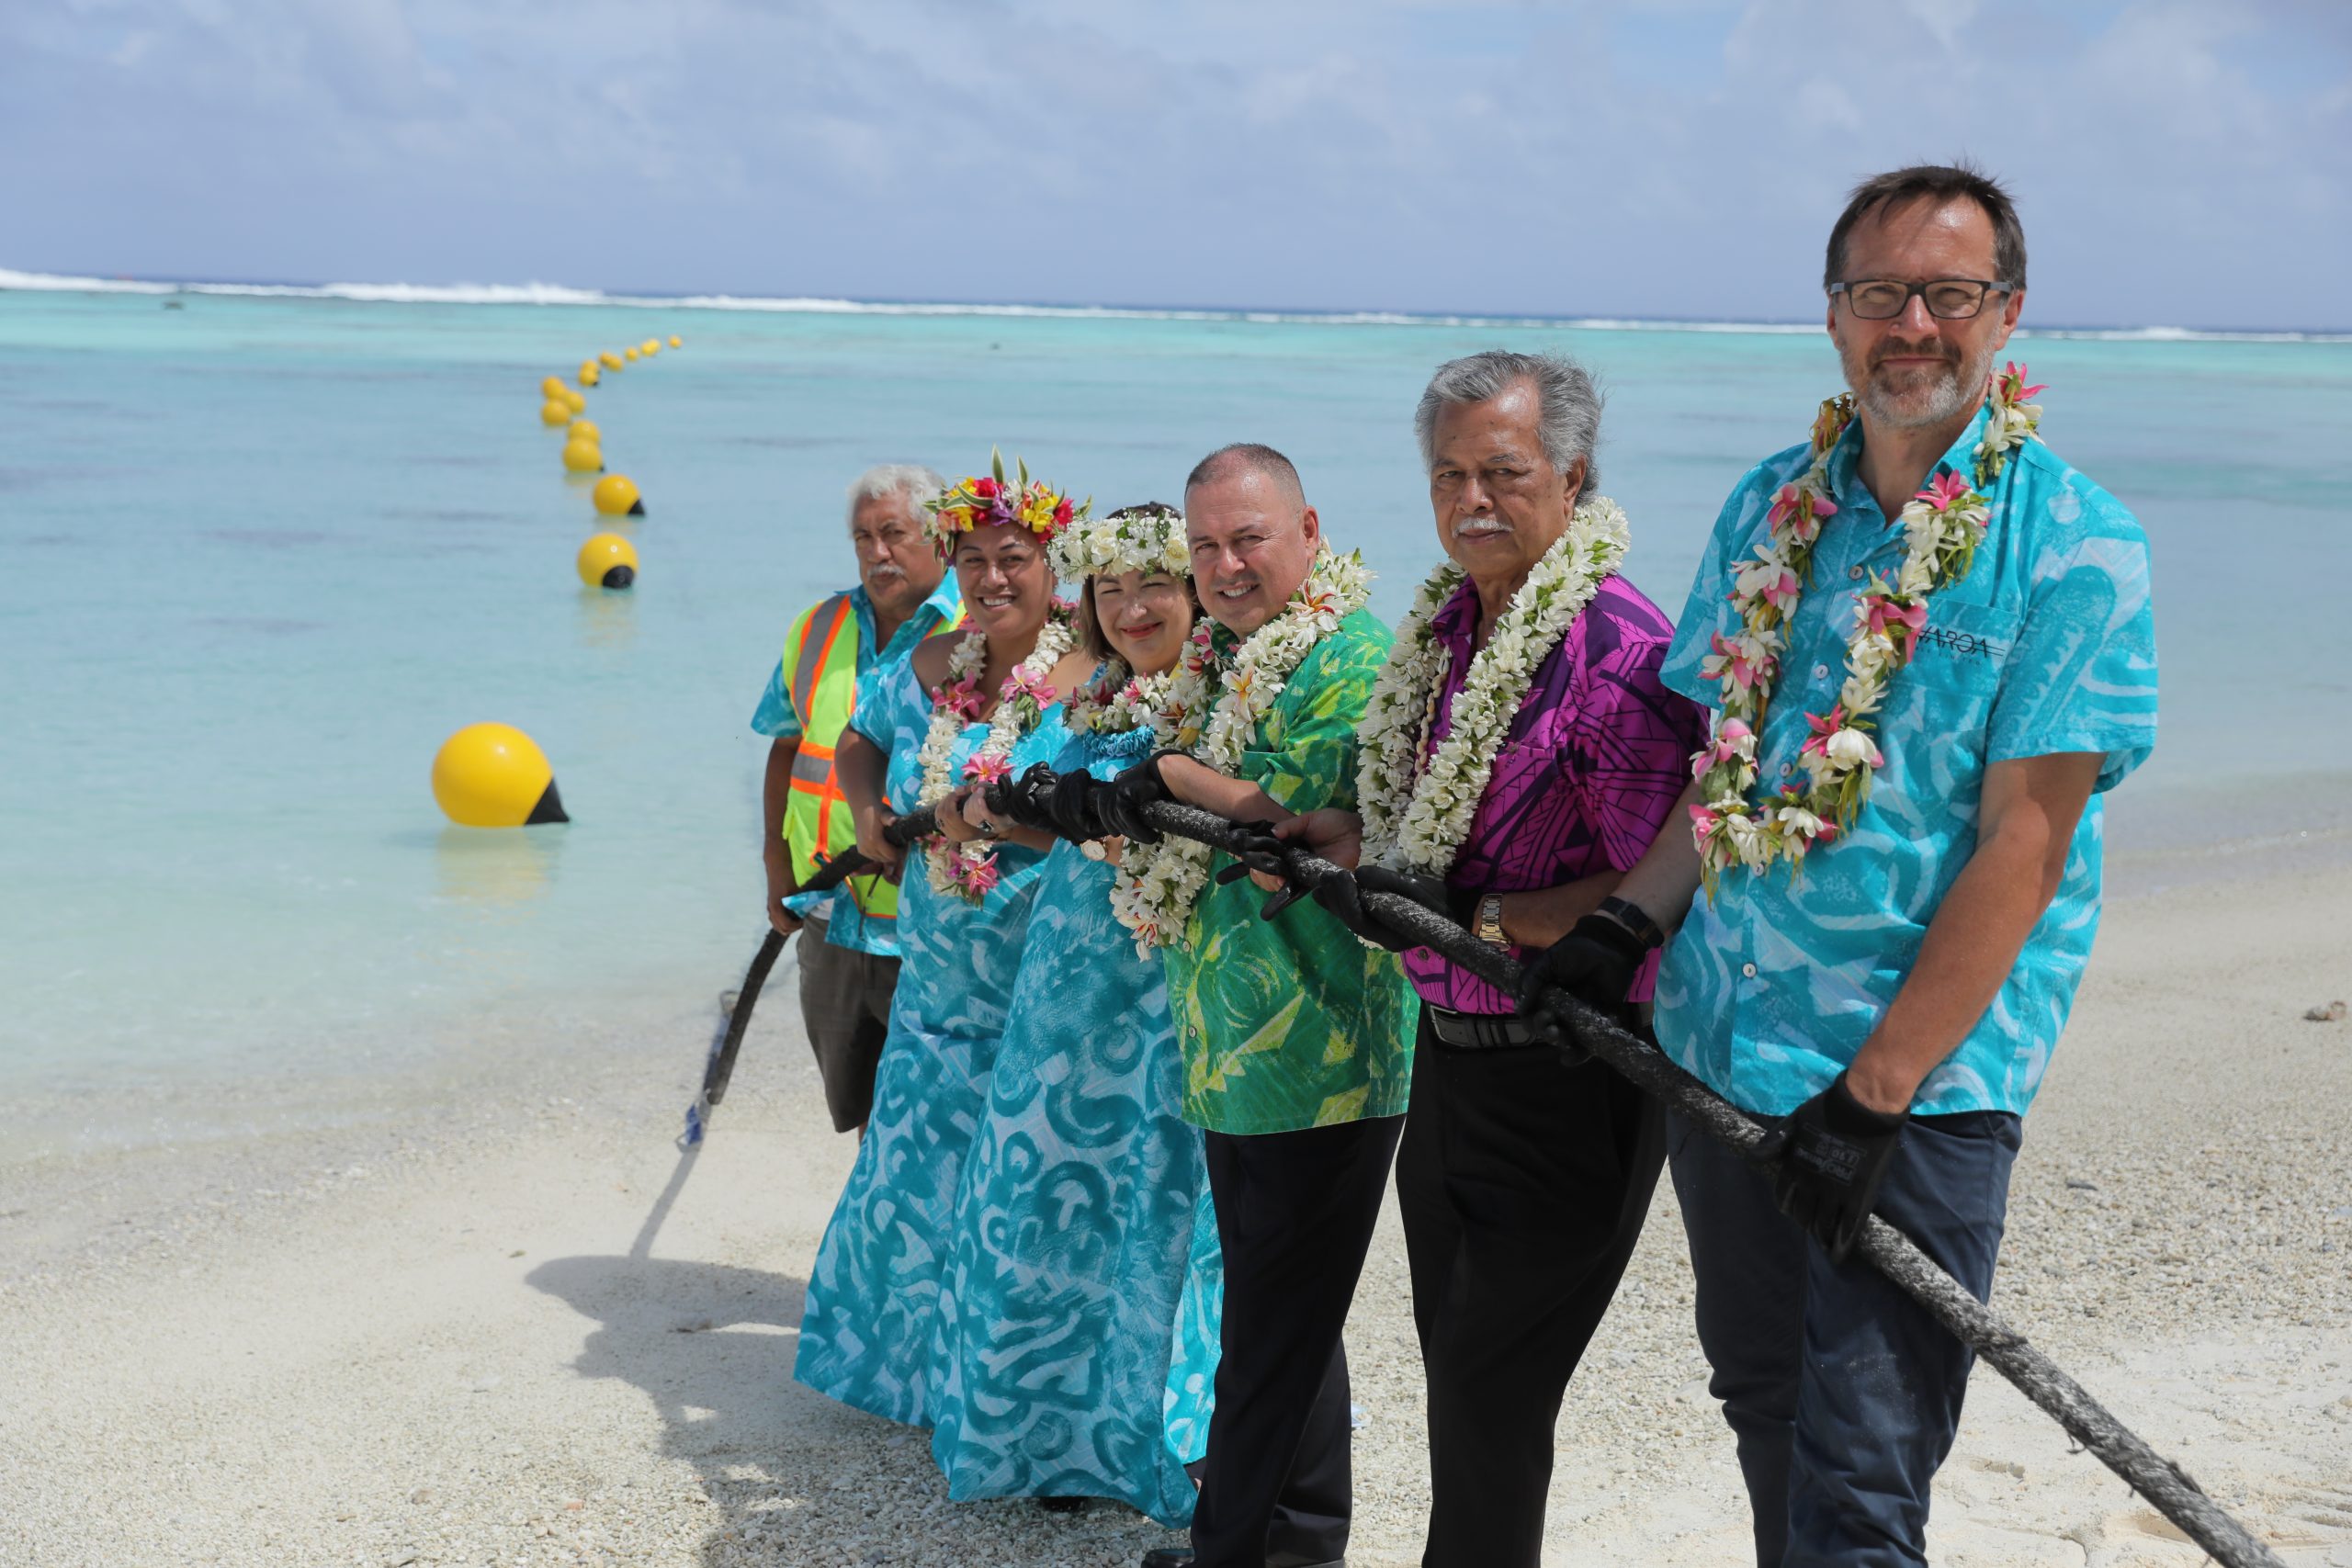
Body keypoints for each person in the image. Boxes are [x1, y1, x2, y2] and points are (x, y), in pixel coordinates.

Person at [1520, 164, 2158, 1566]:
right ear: (1833, 315)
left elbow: (2026, 841)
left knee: (1866, 1476)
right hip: (1724, 1041)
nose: (1913, 322)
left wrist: (1875, 1092)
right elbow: (1725, 770)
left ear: (2009, 313)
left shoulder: (2077, 542)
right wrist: (1628, 925)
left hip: (1911, 1090)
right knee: (1766, 1405)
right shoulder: (1773, 504)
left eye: (1951, 292)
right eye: (1882, 293)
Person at [1272, 351, 1709, 1566]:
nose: (1474, 497)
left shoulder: (1621, 651)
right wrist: (1345, 847)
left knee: (1492, 1396)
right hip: (1449, 1065)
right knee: (1459, 1378)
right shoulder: (1449, 629)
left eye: (1505, 472)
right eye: (1450, 473)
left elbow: (1662, 888)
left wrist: (1488, 908)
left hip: (1573, 1071)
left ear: (1572, 476)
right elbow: (1423, 843)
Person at [1075, 446, 1418, 1568]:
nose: (1224, 566)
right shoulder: (1229, 655)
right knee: (1289, 1314)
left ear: (1309, 532)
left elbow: (1288, 814)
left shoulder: (1351, 654)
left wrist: (1171, 774)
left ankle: (1232, 1552)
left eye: (1249, 538)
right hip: (1230, 1041)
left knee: (1268, 1330)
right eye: (1206, 545)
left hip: (1321, 1044)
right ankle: (1299, 1542)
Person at [927, 503, 1225, 1526]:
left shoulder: (1218, 702)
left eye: (1154, 583)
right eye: (1109, 589)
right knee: (1045, 1190)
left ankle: (1173, 1443)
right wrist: (974, 812)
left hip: (1167, 994)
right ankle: (1049, 1437)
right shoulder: (1090, 694)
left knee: (1160, 1209)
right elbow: (1032, 807)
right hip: (1064, 988)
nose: (1132, 607)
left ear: (1195, 589)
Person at [795, 453, 1097, 1426]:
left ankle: (1026, 1393)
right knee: (919, 1180)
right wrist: (868, 818)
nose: (991, 579)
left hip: (1050, 986)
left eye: (1013, 558)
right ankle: (917, 1383)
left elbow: (1118, 817)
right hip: (939, 986)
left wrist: (1013, 824)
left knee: (1035, 1195)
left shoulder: (1094, 678)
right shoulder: (931, 666)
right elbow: (855, 743)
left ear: (1055, 567)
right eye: (971, 560)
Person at [751, 463, 962, 1135]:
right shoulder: (816, 627)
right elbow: (786, 746)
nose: (878, 552)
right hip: (830, 911)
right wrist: (776, 866)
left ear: (941, 535)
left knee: (937, 1112)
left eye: (894, 533)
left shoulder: (978, 624)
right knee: (854, 1108)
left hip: (933, 921)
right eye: (863, 537)